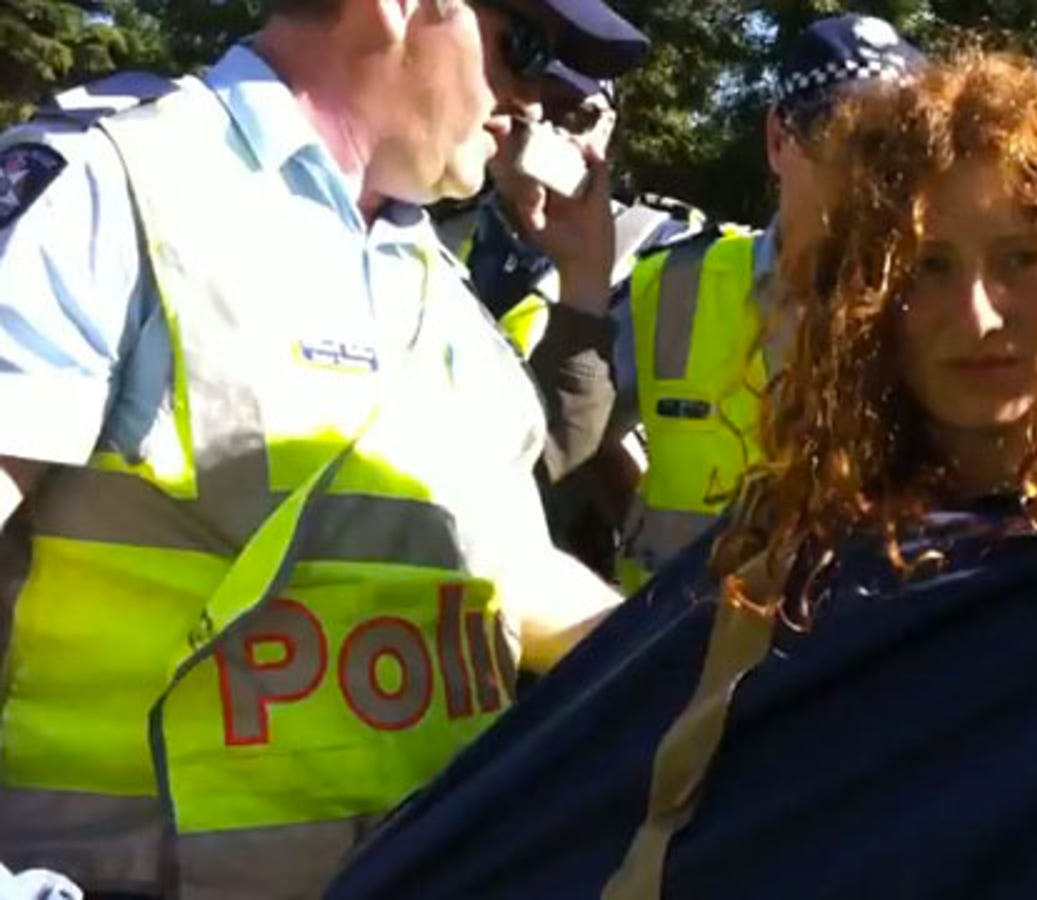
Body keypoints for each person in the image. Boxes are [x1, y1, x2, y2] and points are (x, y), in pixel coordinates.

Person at [328, 51, 1037, 900]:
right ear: (867, 301)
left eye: (1020, 260)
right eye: (927, 268)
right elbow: (595, 778)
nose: (977, 315)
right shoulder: (789, 541)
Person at [0, 0, 644, 893]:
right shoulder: (121, 187)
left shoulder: (433, 282)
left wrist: (725, 671)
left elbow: (513, 577)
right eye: (523, 47)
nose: (532, 99)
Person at [606, 14, 925, 592]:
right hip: (668, 663)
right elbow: (564, 444)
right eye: (848, 138)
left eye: (899, 146)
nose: (876, 173)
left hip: (841, 664)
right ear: (780, 139)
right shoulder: (671, 288)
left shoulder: (935, 312)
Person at [438, 60, 720, 577]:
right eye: (531, 104)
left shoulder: (677, 257)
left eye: (576, 114)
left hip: (605, 594)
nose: (545, 129)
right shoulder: (425, 243)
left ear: (607, 130)